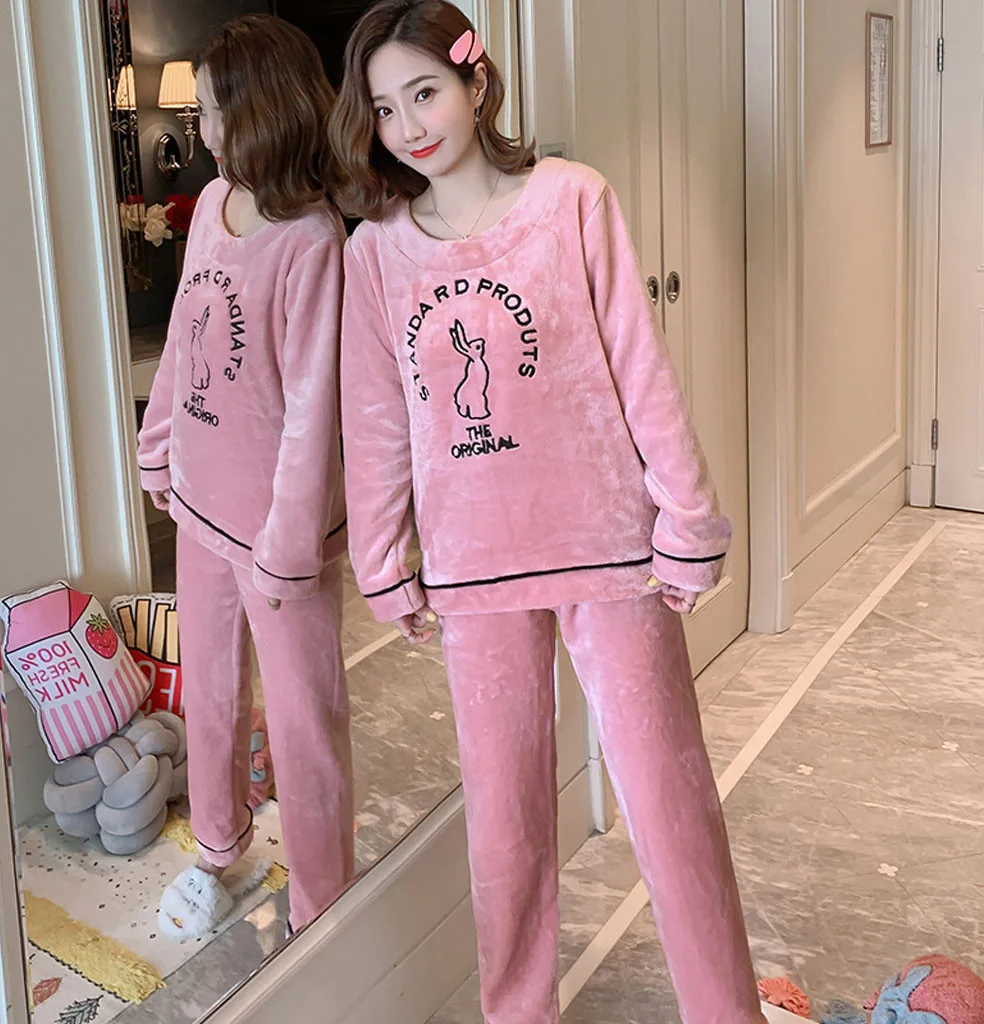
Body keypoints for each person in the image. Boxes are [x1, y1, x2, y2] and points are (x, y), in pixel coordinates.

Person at [328, 1, 765, 1021]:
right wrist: (383, 559)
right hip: (473, 571)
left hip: (611, 555)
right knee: (505, 826)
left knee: (669, 805)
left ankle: (726, 1011)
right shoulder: (375, 254)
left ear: (476, 82)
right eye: (385, 108)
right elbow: (377, 417)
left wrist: (687, 523)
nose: (409, 126)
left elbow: (640, 370)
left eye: (425, 93)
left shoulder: (571, 199)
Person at [137, 13, 353, 939]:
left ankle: (323, 903)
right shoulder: (216, 204)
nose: (206, 126)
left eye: (215, 107)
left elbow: (314, 408)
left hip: (277, 534)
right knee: (213, 691)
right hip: (200, 508)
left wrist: (290, 543)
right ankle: (217, 848)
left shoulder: (312, 239)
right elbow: (186, 341)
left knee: (306, 723)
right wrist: (158, 443)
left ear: (260, 108)